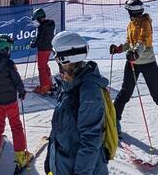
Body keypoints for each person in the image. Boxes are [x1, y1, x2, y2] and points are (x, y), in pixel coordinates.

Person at [109, 0, 158, 142]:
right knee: (124, 93)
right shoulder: (131, 24)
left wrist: (135, 53)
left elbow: (143, 42)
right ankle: (114, 120)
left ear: (132, 11)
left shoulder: (146, 23)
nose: (127, 13)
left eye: (128, 10)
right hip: (133, 63)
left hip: (148, 63)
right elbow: (130, 42)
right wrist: (118, 49)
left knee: (156, 94)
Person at [45, 31, 110, 175]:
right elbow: (59, 128)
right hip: (63, 164)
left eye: (56, 56)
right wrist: (50, 159)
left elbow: (91, 141)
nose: (55, 60)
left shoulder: (88, 90)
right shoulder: (68, 84)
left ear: (67, 58)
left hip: (80, 169)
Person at [0, 34, 30, 171]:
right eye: (9, 48)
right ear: (4, 49)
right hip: (10, 102)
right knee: (16, 126)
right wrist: (21, 91)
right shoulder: (8, 64)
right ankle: (20, 157)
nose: (10, 51)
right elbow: (16, 80)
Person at [30, 7, 56, 95]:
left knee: (41, 68)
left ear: (39, 18)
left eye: (37, 19)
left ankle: (44, 87)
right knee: (45, 66)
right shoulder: (51, 24)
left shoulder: (42, 27)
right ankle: (50, 84)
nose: (37, 21)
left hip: (42, 49)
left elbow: (39, 39)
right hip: (49, 48)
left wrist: (33, 44)